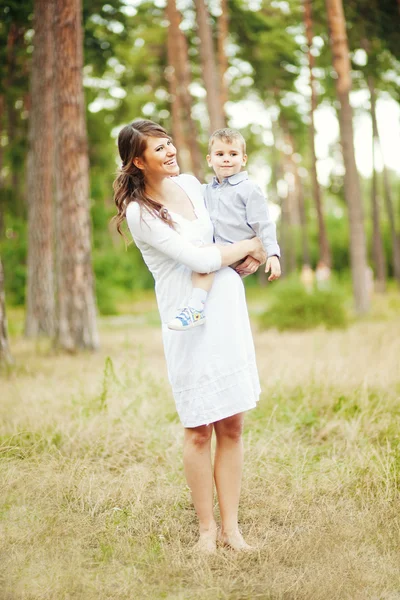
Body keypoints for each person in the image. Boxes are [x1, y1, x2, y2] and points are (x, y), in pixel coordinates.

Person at [113, 120, 266, 553]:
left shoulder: (195, 186)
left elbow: (224, 235)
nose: (170, 152)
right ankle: (205, 531)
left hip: (226, 311)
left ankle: (231, 530)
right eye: (157, 149)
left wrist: (253, 251)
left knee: (232, 425)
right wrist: (252, 243)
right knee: (198, 428)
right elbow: (198, 256)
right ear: (138, 161)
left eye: (169, 144)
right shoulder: (140, 212)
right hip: (187, 319)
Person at [168, 128, 281, 331]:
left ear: (244, 159)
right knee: (202, 265)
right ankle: (199, 313)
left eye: (233, 154)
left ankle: (194, 309)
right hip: (217, 249)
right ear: (210, 159)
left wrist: (272, 253)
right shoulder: (205, 190)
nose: (226, 159)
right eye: (220, 154)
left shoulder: (249, 189)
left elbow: (263, 223)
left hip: (235, 251)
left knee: (205, 261)